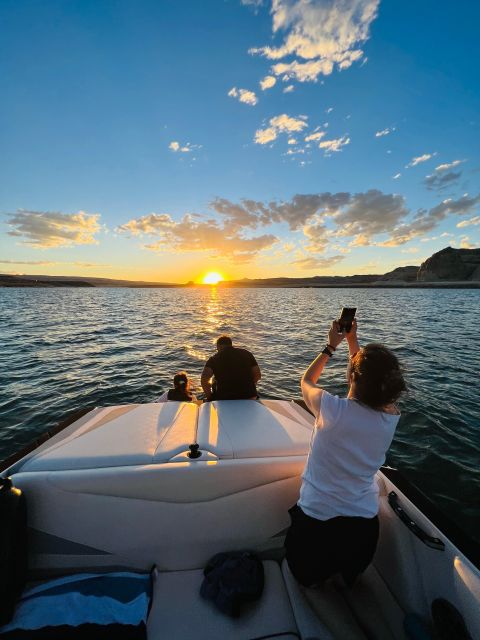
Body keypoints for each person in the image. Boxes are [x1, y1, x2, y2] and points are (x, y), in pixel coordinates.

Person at [285, 318, 406, 588]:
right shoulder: (391, 416)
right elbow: (368, 381)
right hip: (362, 533)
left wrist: (331, 346)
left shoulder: (331, 409)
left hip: (316, 526)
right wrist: (353, 343)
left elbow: (306, 381)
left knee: (304, 579)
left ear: (352, 375)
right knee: (347, 580)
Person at [201, 335, 261, 401]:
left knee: (214, 380)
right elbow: (257, 375)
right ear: (230, 344)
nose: (217, 351)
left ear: (219, 346)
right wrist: (249, 387)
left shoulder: (214, 359)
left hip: (224, 398)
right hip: (249, 396)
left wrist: (210, 398)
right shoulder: (247, 354)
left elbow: (204, 380)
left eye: (217, 349)